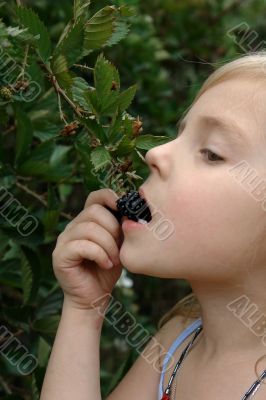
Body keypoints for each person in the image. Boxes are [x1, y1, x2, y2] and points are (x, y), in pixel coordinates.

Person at [40, 51, 266, 400]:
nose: (156, 153)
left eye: (211, 152)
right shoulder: (176, 346)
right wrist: (84, 311)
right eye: (181, 134)